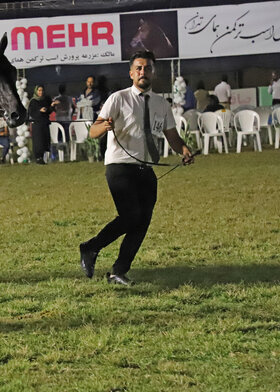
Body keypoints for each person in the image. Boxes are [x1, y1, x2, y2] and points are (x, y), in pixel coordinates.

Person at [80, 50, 194, 286]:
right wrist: (104, 127)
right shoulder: (118, 99)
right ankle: (91, 247)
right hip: (119, 165)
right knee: (131, 215)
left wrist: (183, 149)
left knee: (142, 222)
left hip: (147, 169)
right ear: (131, 73)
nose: (143, 72)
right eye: (139, 68)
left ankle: (118, 272)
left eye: (148, 68)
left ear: (153, 72)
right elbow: (93, 132)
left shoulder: (162, 103)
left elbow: (171, 135)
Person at [28, 85, 57, 164]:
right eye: (39, 90)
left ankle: (45, 158)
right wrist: (39, 110)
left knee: (45, 141)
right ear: (36, 91)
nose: (41, 92)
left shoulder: (46, 99)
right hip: (37, 124)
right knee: (38, 142)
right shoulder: (33, 101)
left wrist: (51, 106)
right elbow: (31, 112)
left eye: (42, 90)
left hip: (45, 123)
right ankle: (38, 158)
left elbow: (49, 111)